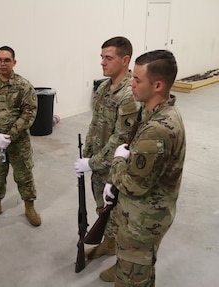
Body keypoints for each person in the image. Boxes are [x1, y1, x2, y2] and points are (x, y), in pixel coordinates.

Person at [105, 49, 185, 286]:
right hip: (145, 217)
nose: (131, 84)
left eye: (138, 80)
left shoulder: (158, 129)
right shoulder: (157, 114)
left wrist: (118, 161)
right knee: (143, 275)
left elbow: (134, 185)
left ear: (158, 85)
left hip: (141, 223)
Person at [73, 36, 139, 278]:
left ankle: (122, 263)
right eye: (101, 57)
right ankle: (108, 244)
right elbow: (95, 125)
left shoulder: (129, 94)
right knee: (104, 210)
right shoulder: (103, 87)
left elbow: (121, 138)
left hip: (117, 167)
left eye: (108, 58)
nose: (102, 62)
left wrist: (92, 162)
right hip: (99, 165)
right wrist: (87, 154)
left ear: (125, 60)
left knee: (120, 216)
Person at [0, 45, 41, 227]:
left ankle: (29, 207)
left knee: (24, 175)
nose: (2, 63)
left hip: (19, 141)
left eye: (6, 60)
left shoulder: (23, 86)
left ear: (14, 62)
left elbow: (30, 113)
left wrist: (10, 135)